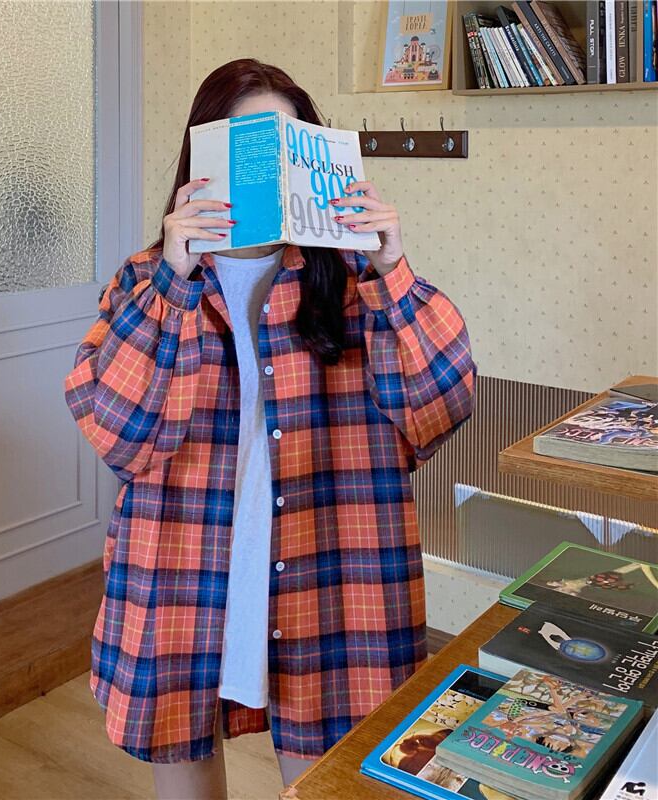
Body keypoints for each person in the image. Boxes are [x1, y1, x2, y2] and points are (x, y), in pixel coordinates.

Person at [64, 57, 476, 800]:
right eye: (244, 142)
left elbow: (438, 410)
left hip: (331, 560)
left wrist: (392, 269)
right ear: (202, 159)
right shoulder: (147, 279)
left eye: (287, 143)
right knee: (183, 758)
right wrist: (172, 283)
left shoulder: (353, 279)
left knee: (328, 776)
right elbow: (118, 434)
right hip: (184, 561)